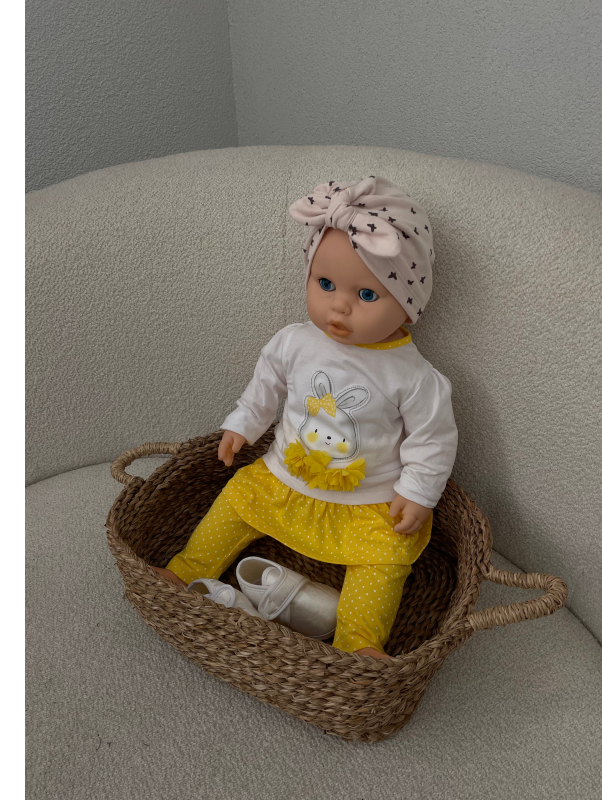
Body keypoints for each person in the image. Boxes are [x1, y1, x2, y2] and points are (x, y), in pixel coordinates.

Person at [152, 175, 458, 659]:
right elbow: (265, 387)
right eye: (326, 284)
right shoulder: (294, 342)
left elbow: (433, 439)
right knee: (235, 499)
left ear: (407, 306)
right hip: (283, 480)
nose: (339, 306)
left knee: (385, 558)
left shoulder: (414, 376)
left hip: (367, 503)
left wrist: (418, 491)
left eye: (366, 295)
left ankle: (359, 643)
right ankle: (186, 570)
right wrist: (242, 424)